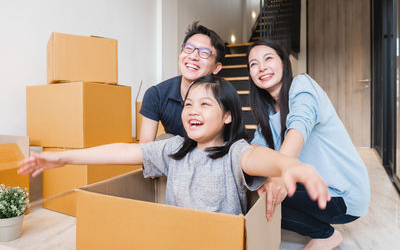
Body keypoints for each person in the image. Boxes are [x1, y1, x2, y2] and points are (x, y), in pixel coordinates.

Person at [18, 76, 330, 215]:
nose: (193, 110)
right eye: (189, 103)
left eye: (205, 103)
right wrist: (63, 158)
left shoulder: (234, 153)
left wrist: (288, 164)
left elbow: (258, 157)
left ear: (226, 116)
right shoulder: (174, 149)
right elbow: (122, 150)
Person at [247, 39, 370, 249]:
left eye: (268, 59)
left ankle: (325, 235)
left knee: (264, 195)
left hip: (344, 195)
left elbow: (298, 127)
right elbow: (254, 151)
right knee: (253, 187)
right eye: (253, 64)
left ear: (284, 64)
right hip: (315, 190)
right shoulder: (267, 114)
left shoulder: (302, 86)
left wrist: (278, 176)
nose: (262, 67)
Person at [139, 22, 225, 142]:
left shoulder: (225, 96)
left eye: (204, 53)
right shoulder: (157, 94)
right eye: (189, 49)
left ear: (216, 67)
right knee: (164, 139)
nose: (193, 56)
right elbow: (145, 148)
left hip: (212, 154)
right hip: (177, 155)